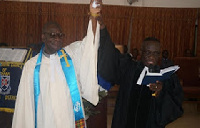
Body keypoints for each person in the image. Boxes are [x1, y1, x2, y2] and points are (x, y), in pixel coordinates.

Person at [12, 1, 105, 128]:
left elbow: (89, 45)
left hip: (67, 120)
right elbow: (25, 105)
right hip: (44, 121)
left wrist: (93, 17)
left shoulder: (70, 56)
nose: (57, 38)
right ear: (43, 37)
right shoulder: (31, 67)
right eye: (52, 35)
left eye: (60, 35)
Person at [97, 26, 184, 127]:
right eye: (148, 52)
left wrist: (161, 93)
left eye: (156, 53)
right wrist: (102, 30)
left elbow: (175, 107)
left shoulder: (167, 77)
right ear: (141, 52)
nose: (151, 57)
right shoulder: (129, 68)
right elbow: (111, 57)